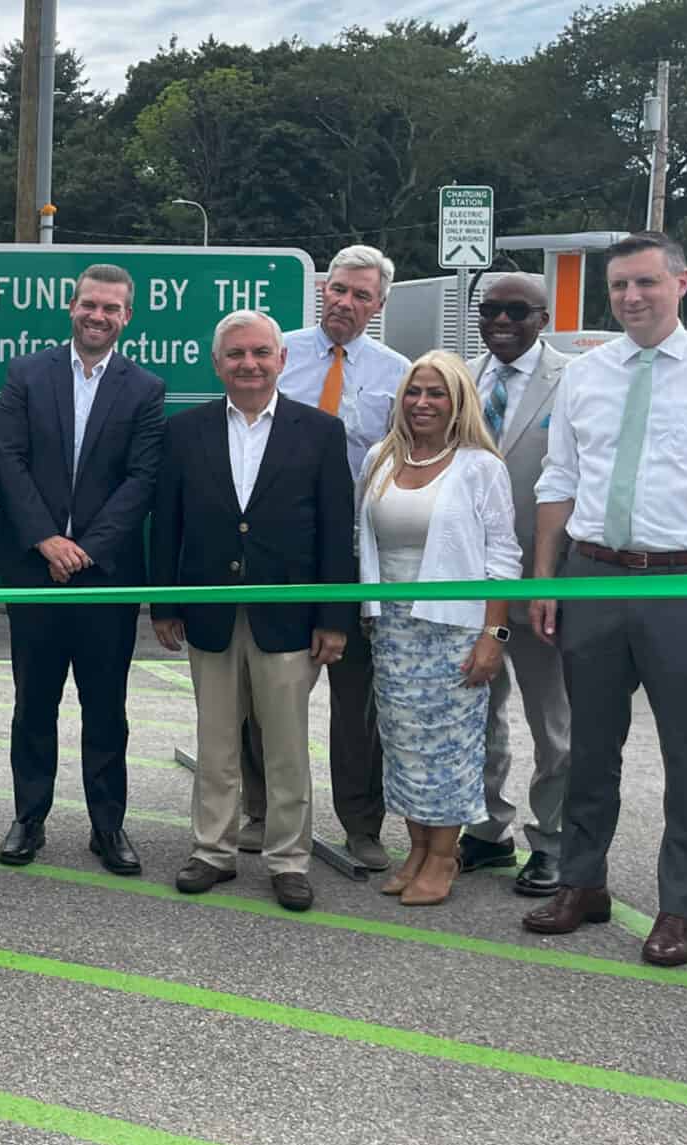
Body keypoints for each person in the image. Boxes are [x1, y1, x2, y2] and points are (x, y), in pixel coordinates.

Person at [524, 231, 687, 967]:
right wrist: (545, 579)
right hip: (593, 575)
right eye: (620, 288)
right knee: (591, 746)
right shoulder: (586, 374)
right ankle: (582, 883)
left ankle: (679, 907)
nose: (632, 298)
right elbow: (558, 483)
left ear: (682, 284)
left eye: (646, 284)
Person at [151, 310, 355, 913]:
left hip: (287, 617)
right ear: (217, 364)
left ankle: (288, 859)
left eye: (261, 353)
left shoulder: (318, 432)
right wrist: (165, 602)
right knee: (215, 741)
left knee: (287, 745)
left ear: (281, 360)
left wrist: (333, 617)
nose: (249, 364)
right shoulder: (184, 431)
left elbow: (333, 529)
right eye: (236, 354)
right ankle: (212, 850)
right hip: (209, 611)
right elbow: (167, 523)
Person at [0, 263, 166, 875]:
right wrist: (46, 541)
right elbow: (7, 457)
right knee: (34, 701)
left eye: (112, 308)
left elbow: (142, 479)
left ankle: (107, 826)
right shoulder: (29, 374)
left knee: (106, 705)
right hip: (33, 569)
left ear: (126, 317)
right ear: (72, 306)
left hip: (105, 574)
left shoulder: (145, 389)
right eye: (90, 304)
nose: (98, 316)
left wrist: (85, 548)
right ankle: (28, 818)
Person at [266, 244, 411, 871]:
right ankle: (261, 812)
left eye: (361, 296)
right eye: (338, 291)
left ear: (379, 305)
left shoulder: (397, 372)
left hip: (356, 555)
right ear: (322, 289)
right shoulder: (278, 352)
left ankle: (361, 822)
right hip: (281, 552)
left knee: (358, 702)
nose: (345, 304)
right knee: (268, 692)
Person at [356, 351, 520, 906]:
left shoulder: (480, 466)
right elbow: (366, 544)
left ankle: (444, 856)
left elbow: (503, 556)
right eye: (413, 392)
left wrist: (492, 636)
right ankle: (417, 850)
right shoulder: (380, 457)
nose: (422, 403)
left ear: (458, 403)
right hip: (392, 627)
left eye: (436, 394)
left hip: (454, 627)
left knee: (448, 749)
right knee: (402, 745)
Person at [459, 274, 574, 897]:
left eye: (516, 311)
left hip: (540, 582)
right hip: (474, 585)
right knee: (480, 710)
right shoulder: (466, 379)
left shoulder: (574, 378)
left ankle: (553, 840)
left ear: (542, 316)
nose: (502, 320)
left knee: (552, 720)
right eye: (491, 310)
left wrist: (550, 577)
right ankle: (487, 830)